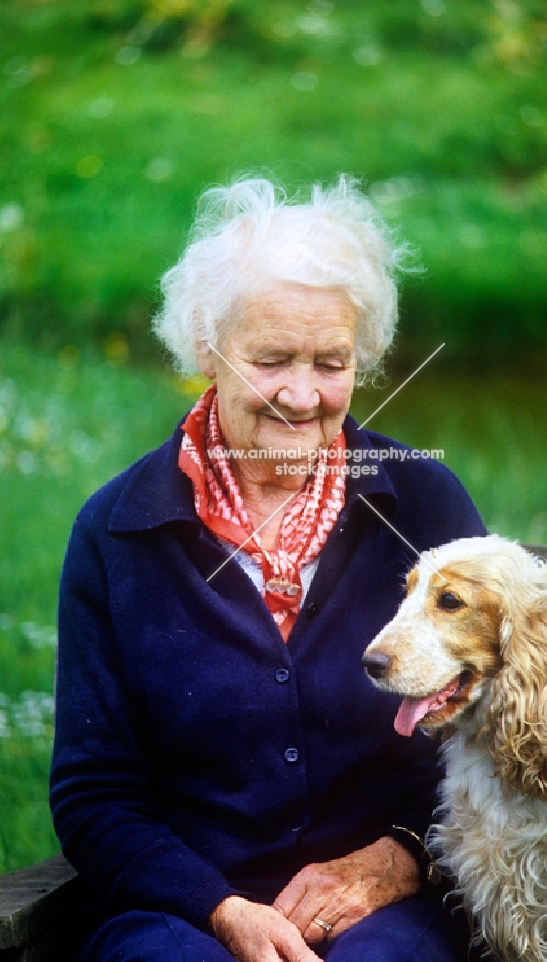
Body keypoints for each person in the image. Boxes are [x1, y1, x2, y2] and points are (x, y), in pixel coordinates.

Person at [50, 176, 487, 962]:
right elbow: (95, 796)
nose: (301, 394)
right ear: (204, 350)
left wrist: (399, 857)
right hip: (180, 913)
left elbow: (494, 730)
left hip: (385, 910)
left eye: (331, 362)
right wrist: (219, 910)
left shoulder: (423, 504)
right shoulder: (118, 532)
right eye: (271, 358)